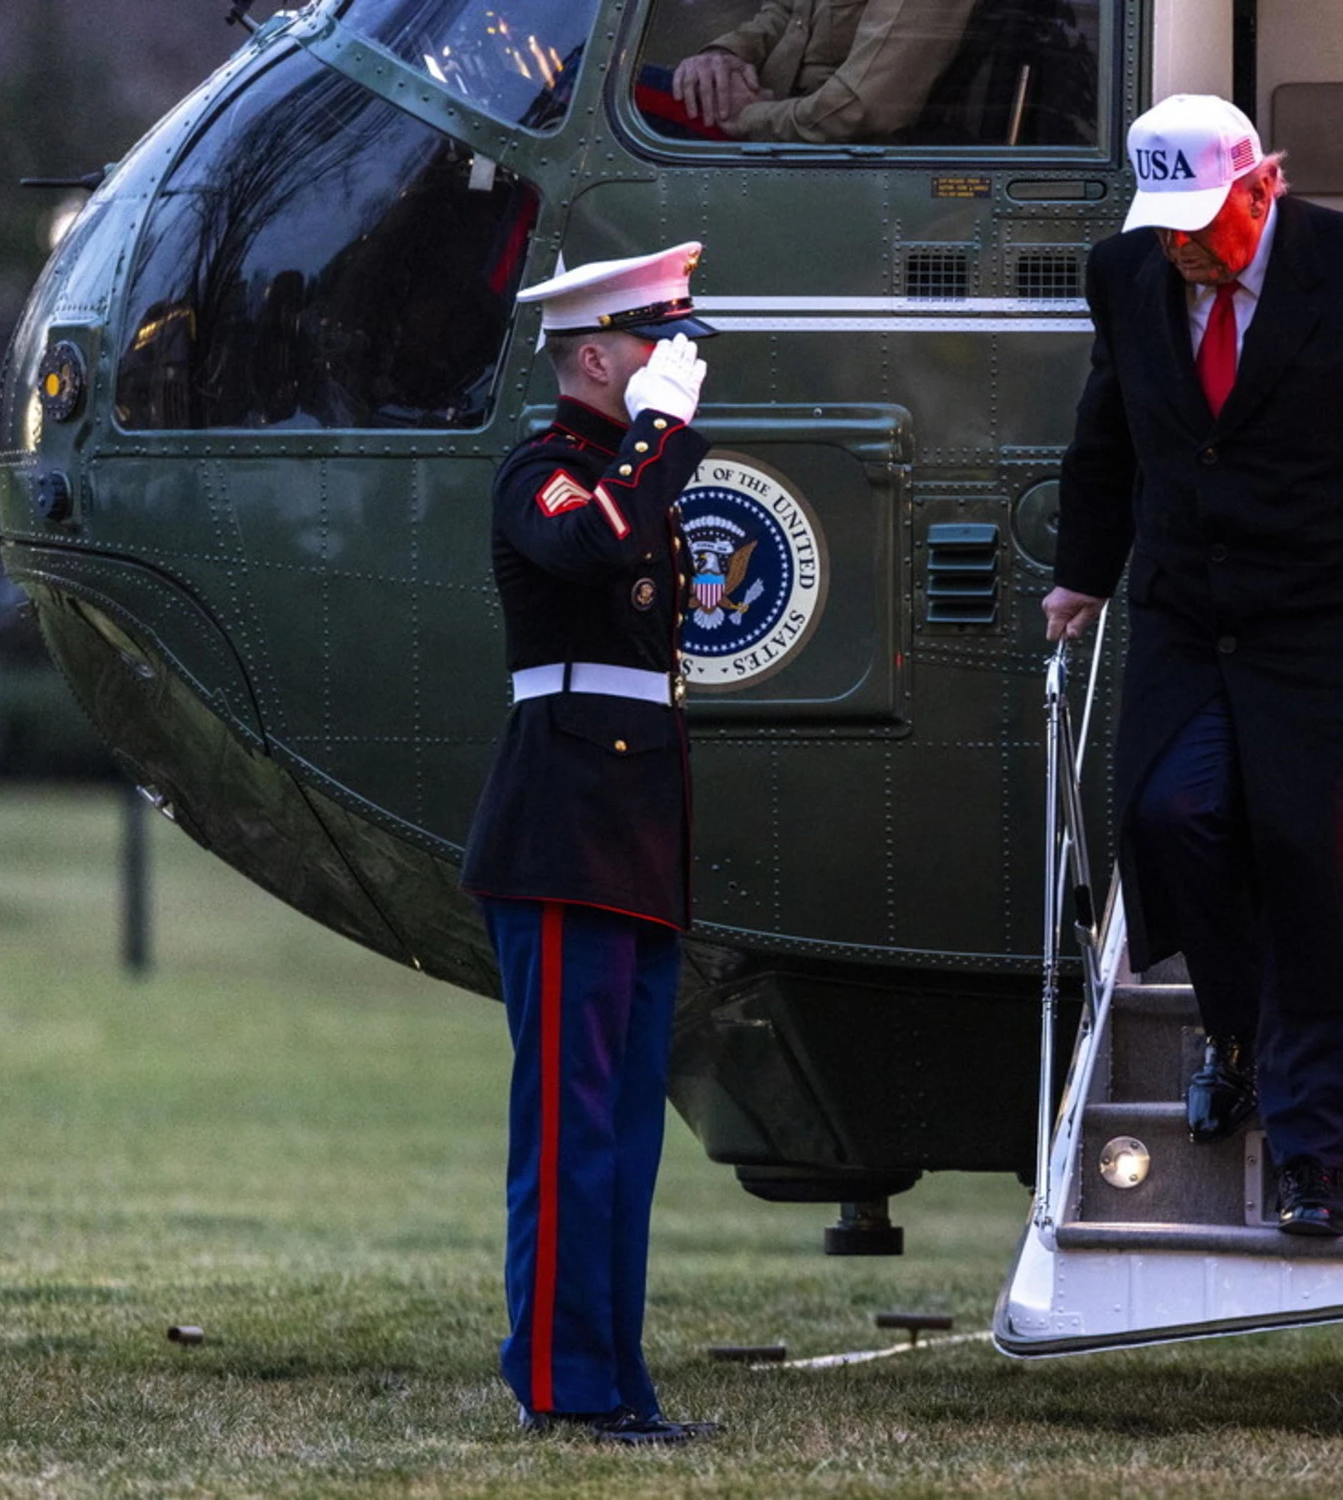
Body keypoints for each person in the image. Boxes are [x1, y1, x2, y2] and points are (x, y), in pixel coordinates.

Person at [1042, 95, 1343, 1238]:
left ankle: (1307, 1159)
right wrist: (1081, 574)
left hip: (1337, 624)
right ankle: (1233, 1032)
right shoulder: (1127, 274)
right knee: (1171, 816)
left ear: (1262, 185)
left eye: (1199, 223)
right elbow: (1108, 431)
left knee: (1313, 873)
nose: (1181, 247)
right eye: (1165, 225)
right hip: (1193, 620)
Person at [459, 243, 722, 1444]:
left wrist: (655, 447)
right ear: (595, 355)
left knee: (618, 1129)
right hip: (563, 825)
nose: (680, 363)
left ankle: (615, 1380)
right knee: (568, 1125)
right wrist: (657, 441)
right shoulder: (547, 471)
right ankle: (562, 1384)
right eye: (658, 344)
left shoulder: (627, 469)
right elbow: (588, 547)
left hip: (630, 832)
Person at [665, 0, 978, 143]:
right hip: (776, 133)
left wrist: (750, 116)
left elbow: (860, 108)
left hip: (838, 157)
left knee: (635, 109)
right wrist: (725, 55)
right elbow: (783, 13)